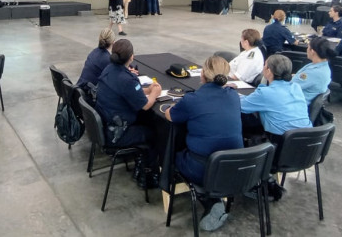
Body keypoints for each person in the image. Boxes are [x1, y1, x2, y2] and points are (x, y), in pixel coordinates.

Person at [165, 55, 243, 232]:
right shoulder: (233, 96)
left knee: (171, 153)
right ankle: (213, 199)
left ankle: (209, 200)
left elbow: (170, 115)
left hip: (202, 168)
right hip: (235, 166)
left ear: (202, 75)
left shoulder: (192, 99)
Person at [95, 39, 162, 189]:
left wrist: (147, 90)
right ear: (131, 57)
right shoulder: (126, 79)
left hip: (107, 125)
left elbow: (128, 92)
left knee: (146, 121)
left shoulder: (109, 69)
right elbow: (145, 105)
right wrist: (155, 93)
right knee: (155, 132)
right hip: (117, 134)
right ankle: (148, 175)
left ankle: (141, 162)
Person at [240, 55, 312, 139]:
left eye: (265, 65)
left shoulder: (266, 93)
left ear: (269, 71)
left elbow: (240, 105)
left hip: (280, 140)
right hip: (307, 137)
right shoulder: (296, 87)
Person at [291, 37, 335, 104]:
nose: (306, 50)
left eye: (308, 48)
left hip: (295, 102)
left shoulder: (313, 72)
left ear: (312, 51)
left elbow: (290, 86)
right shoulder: (322, 66)